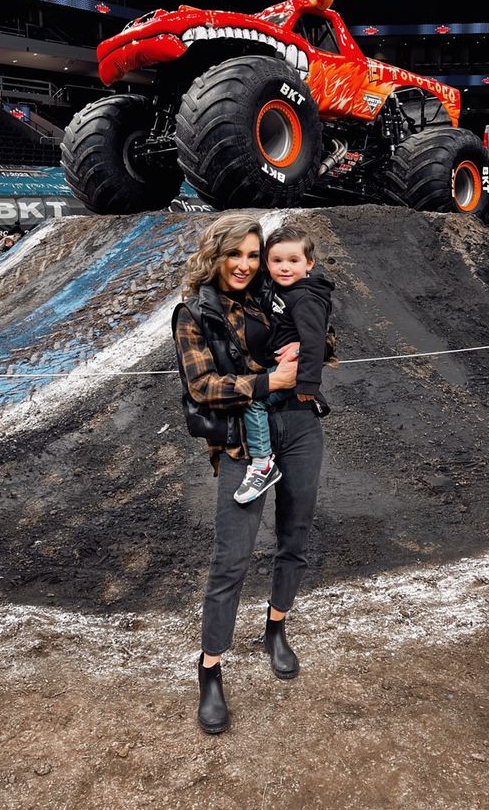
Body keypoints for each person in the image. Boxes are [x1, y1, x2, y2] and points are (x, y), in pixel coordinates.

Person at [172, 213, 326, 735]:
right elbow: (202, 386)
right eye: (234, 254)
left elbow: (327, 341)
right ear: (214, 255)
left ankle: (275, 628)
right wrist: (268, 380)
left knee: (294, 537)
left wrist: (311, 348)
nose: (244, 264)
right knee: (231, 558)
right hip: (242, 439)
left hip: (301, 425)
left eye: (252, 255)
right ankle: (210, 669)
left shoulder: (276, 291)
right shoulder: (193, 313)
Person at [234, 225, 335, 505]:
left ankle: (262, 463)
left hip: (293, 373)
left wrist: (307, 384)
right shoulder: (282, 288)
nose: (285, 268)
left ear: (309, 263)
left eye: (294, 261)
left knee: (252, 400)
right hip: (281, 365)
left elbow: (314, 342)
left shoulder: (305, 298)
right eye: (277, 261)